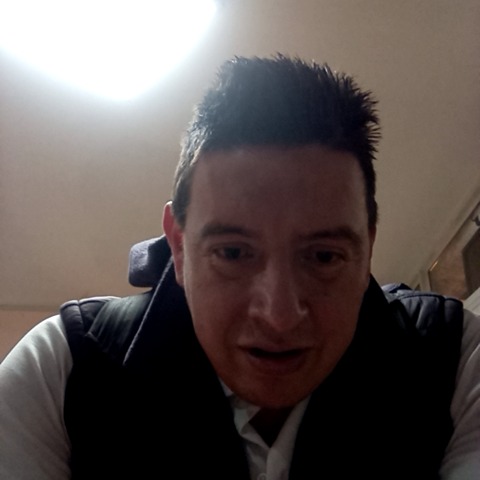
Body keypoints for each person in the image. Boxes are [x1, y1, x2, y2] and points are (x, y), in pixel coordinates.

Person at [0, 55, 479, 480]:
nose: (280, 316)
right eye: (232, 253)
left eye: (323, 256)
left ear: (367, 248)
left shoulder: (455, 358)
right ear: (179, 246)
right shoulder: (64, 369)